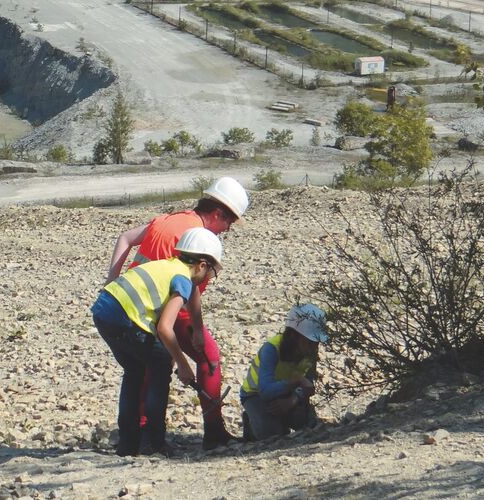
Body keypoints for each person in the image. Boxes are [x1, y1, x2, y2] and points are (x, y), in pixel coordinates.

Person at [104, 177, 249, 449]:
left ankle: (134, 438)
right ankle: (207, 433)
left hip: (134, 305)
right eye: (229, 223)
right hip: (163, 306)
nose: (228, 229)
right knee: (204, 359)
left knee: (141, 370)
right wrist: (186, 349)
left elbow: (125, 238)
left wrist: (111, 280)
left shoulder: (169, 220)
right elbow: (185, 286)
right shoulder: (198, 238)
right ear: (218, 213)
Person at [92, 228, 224, 456]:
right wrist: (182, 364)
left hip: (103, 311)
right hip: (124, 317)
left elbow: (193, 297)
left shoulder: (170, 265)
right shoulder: (182, 279)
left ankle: (128, 443)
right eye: (212, 272)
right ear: (202, 265)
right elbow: (165, 327)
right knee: (162, 363)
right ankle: (153, 441)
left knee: (134, 370)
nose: (210, 278)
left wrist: (198, 330)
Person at [239, 304, 328, 442]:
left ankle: (282, 418)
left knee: (308, 423)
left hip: (289, 393)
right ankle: (251, 423)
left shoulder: (310, 351)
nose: (314, 347)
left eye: (317, 342)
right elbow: (265, 390)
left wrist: (293, 400)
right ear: (294, 335)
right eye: (310, 342)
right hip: (256, 394)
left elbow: (309, 381)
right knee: (271, 434)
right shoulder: (271, 349)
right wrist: (297, 381)